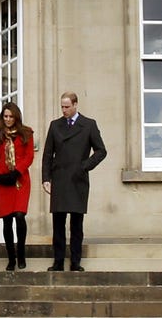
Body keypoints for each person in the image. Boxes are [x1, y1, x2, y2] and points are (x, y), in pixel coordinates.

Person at [41, 91, 106, 272]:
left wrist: (84, 166)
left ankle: (75, 262)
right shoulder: (55, 126)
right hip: (60, 179)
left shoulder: (89, 125)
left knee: (76, 225)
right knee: (58, 224)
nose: (64, 110)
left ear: (76, 104)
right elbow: (47, 155)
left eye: (67, 107)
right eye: (62, 106)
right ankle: (58, 262)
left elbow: (101, 151)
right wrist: (46, 178)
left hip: (78, 180)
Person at [0, 101, 34, 271]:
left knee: (20, 216)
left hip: (20, 180)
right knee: (7, 220)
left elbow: (29, 156)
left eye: (11, 116)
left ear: (16, 117)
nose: (8, 119)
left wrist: (17, 171)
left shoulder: (26, 133)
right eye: (5, 116)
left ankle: (21, 253)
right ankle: (11, 258)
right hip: (3, 181)